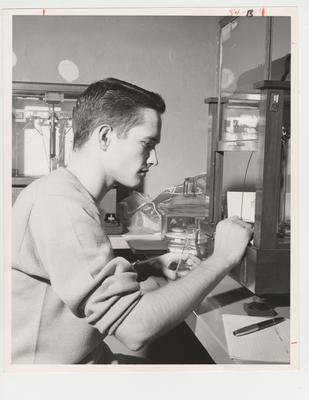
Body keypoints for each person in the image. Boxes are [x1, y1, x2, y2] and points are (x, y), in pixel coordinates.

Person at [12, 78, 253, 364]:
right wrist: (222, 258)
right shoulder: (61, 203)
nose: (154, 159)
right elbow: (135, 328)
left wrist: (146, 268)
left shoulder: (67, 193)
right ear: (104, 137)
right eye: (147, 144)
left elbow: (82, 278)